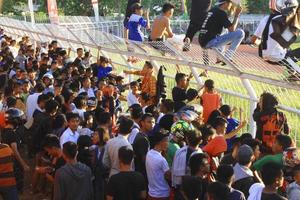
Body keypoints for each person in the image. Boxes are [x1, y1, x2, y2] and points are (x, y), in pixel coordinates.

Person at [1, 108, 29, 192]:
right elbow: (15, 151)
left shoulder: (3, 131)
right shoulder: (13, 134)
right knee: (16, 187)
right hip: (14, 164)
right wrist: (23, 164)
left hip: (5, 164)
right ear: (15, 120)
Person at [146, 129, 170, 199]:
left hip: (151, 194)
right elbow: (169, 176)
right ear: (161, 142)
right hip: (162, 195)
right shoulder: (162, 160)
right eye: (167, 141)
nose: (168, 144)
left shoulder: (149, 153)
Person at [133, 113, 154, 181]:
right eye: (149, 122)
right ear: (142, 123)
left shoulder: (143, 136)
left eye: (153, 122)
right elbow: (144, 160)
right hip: (141, 174)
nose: (152, 124)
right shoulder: (142, 139)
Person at [91, 127, 110, 200]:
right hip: (96, 183)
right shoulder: (94, 149)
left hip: (106, 182)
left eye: (96, 134)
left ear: (102, 135)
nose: (93, 136)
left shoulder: (108, 148)